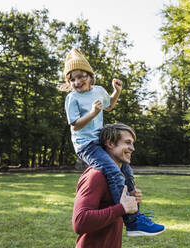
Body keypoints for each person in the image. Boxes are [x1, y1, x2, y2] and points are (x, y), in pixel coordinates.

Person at [61, 48, 165, 237]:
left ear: (90, 76)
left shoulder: (99, 91)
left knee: (126, 170)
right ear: (69, 82)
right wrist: (92, 113)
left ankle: (137, 214)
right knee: (112, 171)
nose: (77, 82)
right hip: (86, 145)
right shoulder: (72, 98)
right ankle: (132, 221)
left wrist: (116, 92)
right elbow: (75, 125)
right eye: (73, 79)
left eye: (81, 76)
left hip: (99, 140)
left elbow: (109, 105)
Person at [72, 124, 163, 247]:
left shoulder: (119, 177)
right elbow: (80, 222)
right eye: (127, 142)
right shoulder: (96, 176)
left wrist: (132, 201)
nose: (132, 148)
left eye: (132, 143)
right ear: (110, 143)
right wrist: (122, 208)